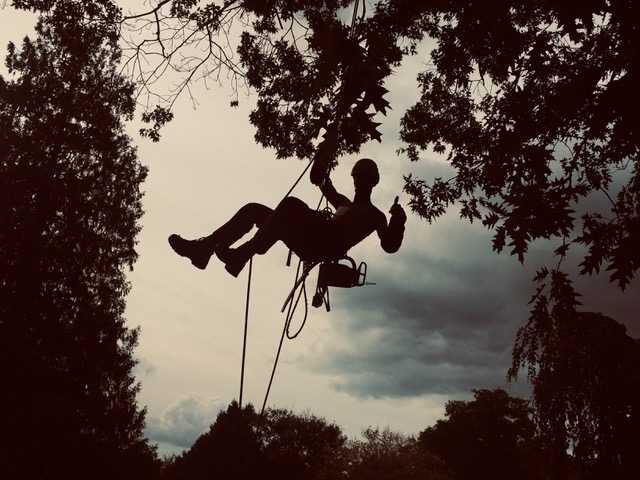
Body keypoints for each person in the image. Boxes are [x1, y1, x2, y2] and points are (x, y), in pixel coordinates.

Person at [168, 155, 406, 277]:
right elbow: (323, 184)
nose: (358, 183)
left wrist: (398, 220)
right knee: (254, 210)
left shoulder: (375, 216)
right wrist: (321, 162)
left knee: (291, 206)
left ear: (372, 183)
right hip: (309, 235)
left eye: (363, 179)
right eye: (357, 178)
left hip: (325, 244)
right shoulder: (344, 204)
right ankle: (204, 249)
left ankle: (241, 255)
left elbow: (390, 245)